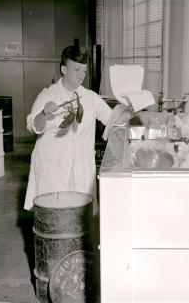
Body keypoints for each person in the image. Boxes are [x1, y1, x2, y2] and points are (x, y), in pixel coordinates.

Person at [23, 46, 130, 211]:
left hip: (81, 169)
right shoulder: (48, 94)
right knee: (53, 219)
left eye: (84, 71)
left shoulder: (90, 98)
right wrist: (44, 113)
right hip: (53, 169)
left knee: (79, 221)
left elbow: (113, 121)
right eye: (77, 69)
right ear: (64, 69)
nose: (81, 74)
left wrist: (129, 107)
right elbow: (33, 126)